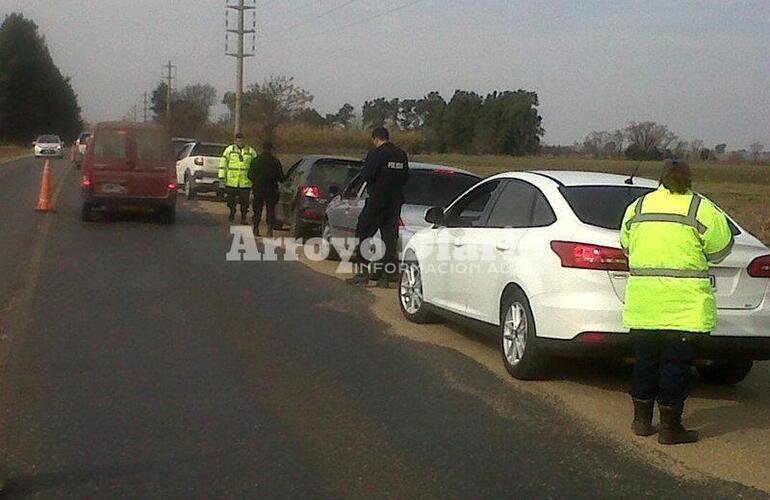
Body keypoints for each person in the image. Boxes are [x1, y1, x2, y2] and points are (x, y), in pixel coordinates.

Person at [621, 159, 733, 445]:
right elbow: (722, 249)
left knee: (644, 362)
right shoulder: (700, 207)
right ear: (689, 180)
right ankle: (670, 428)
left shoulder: (639, 207)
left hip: (645, 305)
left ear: (660, 180)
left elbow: (626, 245)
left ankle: (641, 421)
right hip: (685, 309)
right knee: (675, 366)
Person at [347, 127, 409, 288]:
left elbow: (366, 175)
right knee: (389, 239)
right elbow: (405, 177)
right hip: (394, 202)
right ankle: (385, 277)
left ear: (376, 139)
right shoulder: (401, 155)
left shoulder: (376, 154)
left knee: (363, 233)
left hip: (377, 201)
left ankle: (363, 273)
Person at [219, 133, 257, 224]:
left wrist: (255, 178)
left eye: (241, 140)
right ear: (235, 141)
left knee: (244, 202)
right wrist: (221, 175)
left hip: (245, 182)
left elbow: (256, 165)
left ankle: (243, 218)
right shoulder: (229, 150)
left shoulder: (251, 151)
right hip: (231, 181)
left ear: (244, 140)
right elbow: (223, 162)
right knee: (230, 201)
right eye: (238, 140)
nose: (240, 142)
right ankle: (232, 210)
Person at [248, 141, 285, 237]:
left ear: (262, 148)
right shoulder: (275, 161)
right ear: (271, 149)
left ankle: (256, 228)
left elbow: (250, 175)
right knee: (270, 210)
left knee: (257, 209)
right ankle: (269, 230)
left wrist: (256, 181)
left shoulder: (256, 160)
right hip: (271, 189)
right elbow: (281, 177)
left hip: (258, 188)